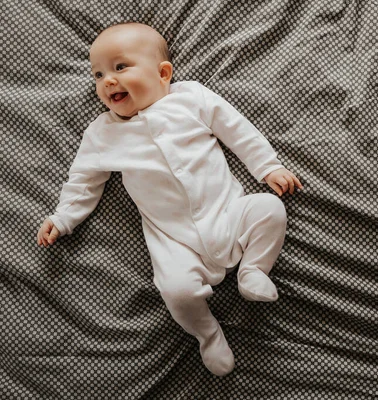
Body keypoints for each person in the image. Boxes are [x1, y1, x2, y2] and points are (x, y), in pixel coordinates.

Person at [35, 22, 302, 376]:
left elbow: (236, 128)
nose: (106, 82)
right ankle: (207, 334)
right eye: (97, 75)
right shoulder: (103, 132)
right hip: (173, 238)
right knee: (176, 291)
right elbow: (84, 181)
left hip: (227, 212)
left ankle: (253, 270)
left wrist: (268, 167)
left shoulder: (190, 97)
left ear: (163, 73)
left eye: (120, 67)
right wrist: (63, 218)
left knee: (270, 209)